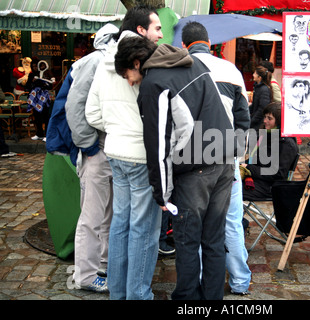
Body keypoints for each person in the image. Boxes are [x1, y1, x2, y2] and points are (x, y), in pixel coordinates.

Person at [115, 36, 235, 300]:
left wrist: (161, 194)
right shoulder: (192, 63)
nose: (129, 82)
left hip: (196, 170)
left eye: (127, 75)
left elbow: (157, 147)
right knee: (214, 240)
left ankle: (187, 301)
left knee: (187, 241)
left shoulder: (154, 83)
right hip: (225, 160)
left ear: (136, 62)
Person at [85, 5, 163, 300]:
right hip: (141, 156)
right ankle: (138, 295)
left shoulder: (105, 59)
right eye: (157, 27)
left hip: (116, 152)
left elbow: (92, 114)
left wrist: (116, 127)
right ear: (141, 29)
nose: (161, 33)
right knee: (142, 229)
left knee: (120, 225)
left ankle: (118, 292)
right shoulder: (146, 60)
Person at [181, 21, 252, 296]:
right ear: (209, 43)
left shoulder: (181, 69)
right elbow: (243, 119)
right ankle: (240, 281)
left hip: (193, 158)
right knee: (230, 222)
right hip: (226, 157)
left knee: (196, 225)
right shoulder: (231, 70)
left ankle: (198, 285)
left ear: (184, 45)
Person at [64, 23, 119, 293]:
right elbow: (74, 105)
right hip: (98, 148)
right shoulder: (94, 61)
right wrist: (89, 145)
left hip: (112, 148)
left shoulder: (106, 60)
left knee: (108, 214)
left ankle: (102, 264)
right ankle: (86, 275)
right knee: (92, 216)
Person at [241, 102, 298, 200]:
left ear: (279, 121)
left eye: (269, 118)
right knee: (226, 183)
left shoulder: (287, 144)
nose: (264, 121)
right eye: (265, 117)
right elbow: (256, 159)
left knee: (230, 190)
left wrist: (249, 168)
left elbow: (278, 174)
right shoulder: (268, 135)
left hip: (271, 186)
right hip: (259, 180)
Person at [250, 65, 273, 130]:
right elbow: (254, 105)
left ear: (259, 77)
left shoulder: (264, 89)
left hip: (260, 124)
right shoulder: (258, 88)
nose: (253, 75)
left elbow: (262, 108)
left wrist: (252, 120)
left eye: (255, 73)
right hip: (257, 122)